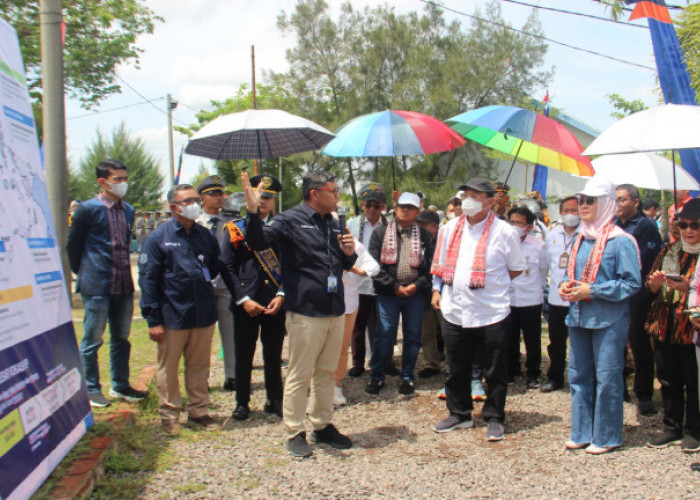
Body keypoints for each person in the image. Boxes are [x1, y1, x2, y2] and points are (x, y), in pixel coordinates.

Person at [242, 170, 357, 458]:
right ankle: (294, 430)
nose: (337, 195)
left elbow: (341, 263)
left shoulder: (332, 223)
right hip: (306, 312)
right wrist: (252, 211)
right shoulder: (289, 220)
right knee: (300, 373)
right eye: (333, 190)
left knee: (326, 373)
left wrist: (350, 253)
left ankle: (322, 424)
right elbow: (257, 243)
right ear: (315, 193)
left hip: (334, 308)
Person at [431, 177, 526, 442]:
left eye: (475, 195)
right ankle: (459, 413)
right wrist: (436, 290)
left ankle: (494, 416)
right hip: (454, 308)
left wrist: (492, 284)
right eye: (466, 194)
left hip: (491, 310)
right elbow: (439, 264)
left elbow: (516, 267)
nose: (468, 199)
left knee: (494, 368)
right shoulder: (449, 229)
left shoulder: (504, 231)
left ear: (490, 201)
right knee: (455, 366)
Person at [138, 184, 235, 432]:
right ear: (173, 207)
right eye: (188, 200)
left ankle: (198, 412)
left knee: (199, 366)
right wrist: (153, 319)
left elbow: (215, 266)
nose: (195, 204)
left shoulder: (205, 235)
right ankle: (170, 416)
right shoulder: (158, 238)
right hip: (172, 314)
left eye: (196, 199)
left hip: (202, 313)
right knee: (168, 367)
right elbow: (148, 280)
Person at [560, 175, 641, 454]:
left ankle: (607, 435)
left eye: (589, 201)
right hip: (579, 315)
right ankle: (582, 431)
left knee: (607, 378)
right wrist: (566, 285)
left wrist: (592, 290)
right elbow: (572, 274)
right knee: (579, 375)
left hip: (609, 319)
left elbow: (631, 283)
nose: (582, 205)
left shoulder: (622, 241)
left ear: (605, 203)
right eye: (581, 200)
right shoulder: (580, 237)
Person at [67, 159, 146, 408]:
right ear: (102, 182)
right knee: (92, 339)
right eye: (117, 179)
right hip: (96, 285)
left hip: (123, 284)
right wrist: (84, 271)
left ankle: (120, 385)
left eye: (125, 178)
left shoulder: (129, 210)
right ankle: (90, 389)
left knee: (121, 337)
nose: (123, 183)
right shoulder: (87, 210)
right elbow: (73, 246)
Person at [222, 175, 286, 420]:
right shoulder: (233, 228)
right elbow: (226, 267)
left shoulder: (282, 227)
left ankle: (274, 399)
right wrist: (243, 299)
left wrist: (282, 294)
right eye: (258, 196)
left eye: (267, 197)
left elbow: (291, 264)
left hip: (274, 302)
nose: (262, 201)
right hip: (246, 303)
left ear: (274, 201)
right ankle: (242, 402)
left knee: (273, 354)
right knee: (244, 354)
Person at [644, 199, 700, 453]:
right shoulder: (670, 251)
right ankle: (671, 426)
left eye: (695, 225)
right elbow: (651, 287)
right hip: (665, 323)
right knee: (668, 378)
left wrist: (688, 288)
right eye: (684, 225)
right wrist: (656, 283)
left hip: (692, 329)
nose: (689, 230)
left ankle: (694, 430)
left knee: (694, 381)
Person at [365, 192, 434, 395]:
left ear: (417, 212)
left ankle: (407, 376)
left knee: (412, 336)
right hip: (388, 293)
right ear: (395, 208)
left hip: (415, 293)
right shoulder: (380, 234)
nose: (405, 210)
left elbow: (430, 267)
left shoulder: (425, 236)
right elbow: (374, 265)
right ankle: (377, 376)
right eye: (401, 206)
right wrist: (394, 286)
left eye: (410, 207)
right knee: (384, 335)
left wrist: (415, 285)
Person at [614, 184, 664, 415]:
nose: (618, 204)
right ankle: (618, 387)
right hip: (614, 293)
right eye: (616, 200)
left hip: (638, 295)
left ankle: (643, 394)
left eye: (622, 200)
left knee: (640, 344)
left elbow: (648, 260)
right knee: (615, 344)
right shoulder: (612, 225)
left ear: (635, 201)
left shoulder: (646, 226)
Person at [195, 175, 236, 392]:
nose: (219, 197)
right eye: (213, 193)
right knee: (202, 334)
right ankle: (202, 377)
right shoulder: (194, 223)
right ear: (202, 198)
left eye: (221, 193)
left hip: (225, 283)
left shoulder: (230, 224)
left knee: (230, 331)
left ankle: (232, 375)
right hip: (201, 284)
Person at [346, 183, 387, 377]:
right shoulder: (352, 225)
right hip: (359, 283)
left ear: (383, 206)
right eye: (368, 204)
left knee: (384, 326)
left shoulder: (389, 224)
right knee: (357, 326)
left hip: (382, 283)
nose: (372, 209)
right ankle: (358, 363)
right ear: (362, 205)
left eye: (377, 205)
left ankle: (385, 361)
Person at [506, 205, 549, 389]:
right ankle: (512, 370)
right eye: (512, 221)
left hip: (530, 299)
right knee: (510, 338)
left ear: (529, 226)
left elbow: (544, 269)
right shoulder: (504, 242)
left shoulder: (539, 246)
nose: (515, 225)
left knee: (532, 339)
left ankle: (533, 373)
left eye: (519, 222)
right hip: (508, 299)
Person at [541, 196, 580, 393]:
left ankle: (578, 379)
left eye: (575, 209)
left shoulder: (588, 234)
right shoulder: (553, 234)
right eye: (567, 210)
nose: (571, 214)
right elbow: (545, 263)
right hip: (557, 298)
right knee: (556, 341)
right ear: (561, 212)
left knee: (579, 342)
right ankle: (555, 378)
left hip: (578, 297)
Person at [335, 236, 379, 406]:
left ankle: (334, 385)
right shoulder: (312, 238)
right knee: (318, 348)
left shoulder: (351, 242)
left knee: (341, 348)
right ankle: (316, 388)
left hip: (346, 301)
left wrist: (356, 270)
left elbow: (372, 266)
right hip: (319, 302)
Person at [416, 210, 443, 379]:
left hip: (443, 293)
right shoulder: (417, 242)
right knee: (426, 331)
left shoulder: (445, 242)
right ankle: (432, 363)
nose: (419, 228)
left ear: (434, 226)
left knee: (448, 330)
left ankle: (455, 363)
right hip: (424, 292)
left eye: (423, 225)